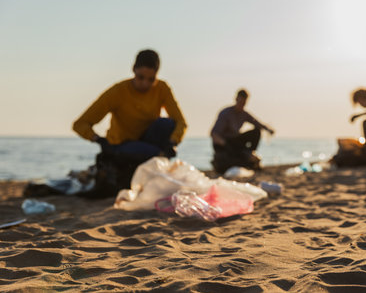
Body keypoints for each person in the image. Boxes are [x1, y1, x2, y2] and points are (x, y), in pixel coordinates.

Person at [72, 50, 187, 196]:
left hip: (147, 140)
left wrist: (173, 142)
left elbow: (181, 122)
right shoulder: (118, 91)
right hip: (121, 145)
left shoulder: (162, 88)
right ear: (133, 70)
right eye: (141, 77)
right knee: (155, 154)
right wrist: (98, 140)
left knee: (167, 124)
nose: (145, 83)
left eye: (151, 79)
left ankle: (152, 171)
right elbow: (80, 124)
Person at [210, 89, 274, 172]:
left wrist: (268, 129)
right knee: (232, 158)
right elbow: (214, 134)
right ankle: (243, 158)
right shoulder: (226, 113)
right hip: (224, 144)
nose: (241, 105)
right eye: (240, 102)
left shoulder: (244, 114)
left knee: (256, 131)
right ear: (236, 99)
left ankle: (250, 154)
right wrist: (226, 145)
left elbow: (257, 123)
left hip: (236, 142)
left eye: (244, 103)